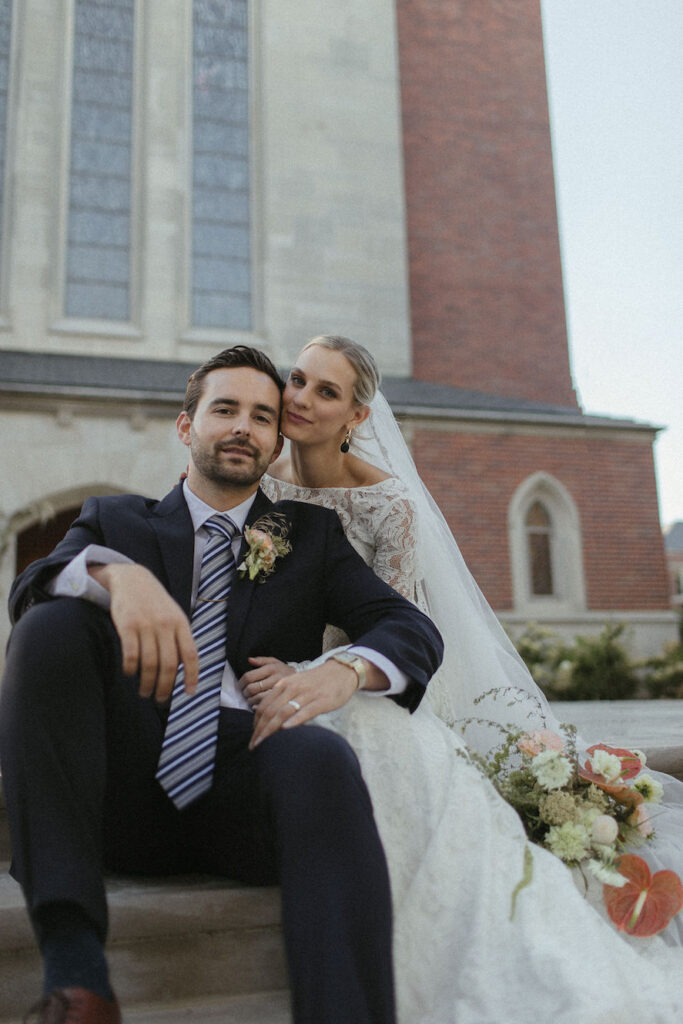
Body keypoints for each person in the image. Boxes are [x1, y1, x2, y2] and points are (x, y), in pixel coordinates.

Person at [0, 345, 444, 1024]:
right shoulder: (115, 521)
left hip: (244, 791)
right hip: (121, 784)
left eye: (262, 416)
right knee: (51, 626)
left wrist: (343, 669)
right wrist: (118, 577)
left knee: (321, 754)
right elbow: (30, 589)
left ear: (274, 443)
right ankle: (77, 974)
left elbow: (406, 624)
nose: (243, 426)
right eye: (225, 409)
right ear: (186, 426)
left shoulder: (308, 535)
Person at [258, 334, 683, 1023]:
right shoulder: (261, 479)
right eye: (297, 379)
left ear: (357, 417)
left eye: (325, 391)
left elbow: (395, 622)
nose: (300, 398)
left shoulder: (384, 502)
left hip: (362, 677)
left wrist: (337, 669)